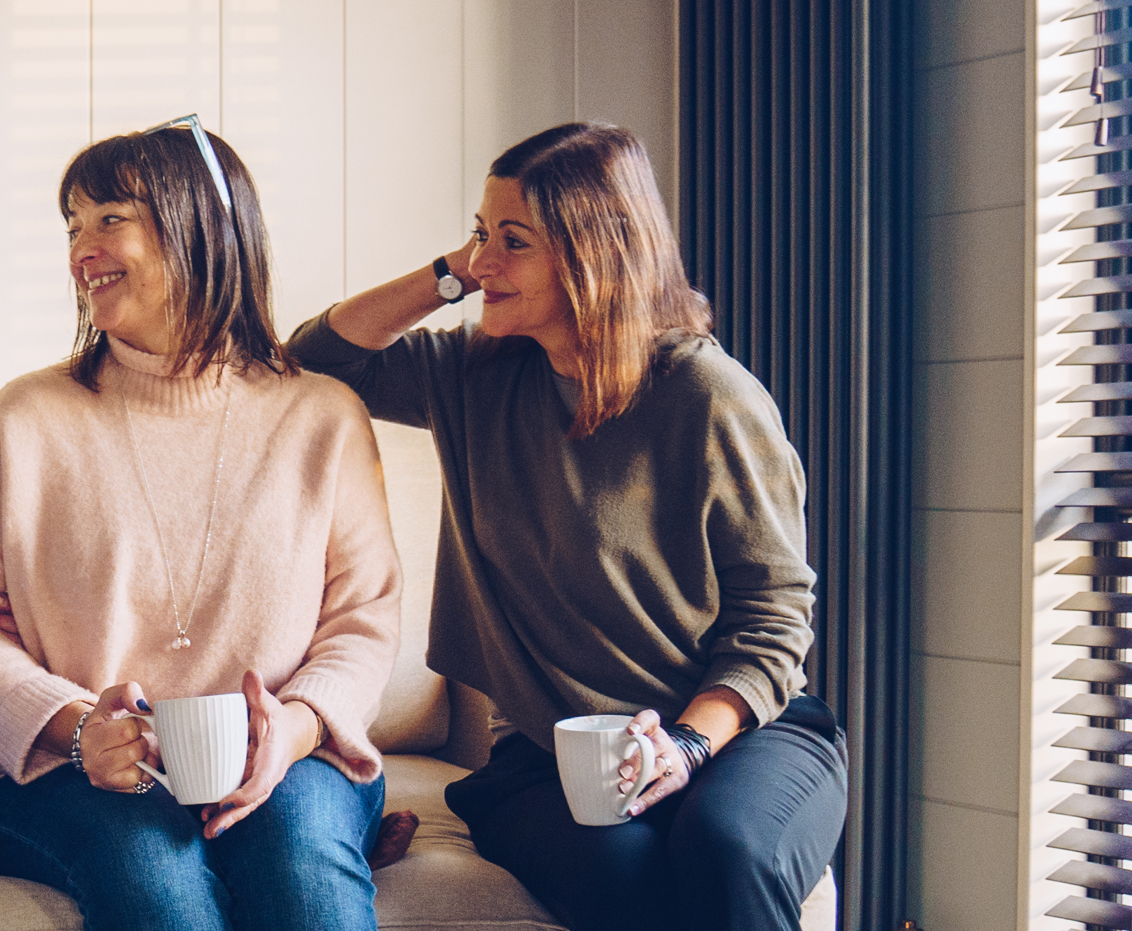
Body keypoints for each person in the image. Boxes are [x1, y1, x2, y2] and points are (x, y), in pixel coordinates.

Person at [287, 121, 847, 931]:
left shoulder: (709, 398)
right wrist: (456, 271)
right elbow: (317, 360)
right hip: (549, 755)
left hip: (736, 731)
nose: (483, 263)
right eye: (481, 234)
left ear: (595, 255)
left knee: (726, 850)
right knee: (627, 877)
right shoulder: (473, 375)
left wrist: (684, 750)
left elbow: (773, 622)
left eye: (513, 242)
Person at [0, 117, 405, 931]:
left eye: (110, 217)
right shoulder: (30, 416)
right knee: (155, 884)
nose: (82, 247)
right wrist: (79, 729)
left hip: (292, 756)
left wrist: (292, 730)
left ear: (201, 226)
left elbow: (363, 618)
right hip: (64, 767)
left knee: (304, 880)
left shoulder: (322, 415)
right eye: (72, 225)